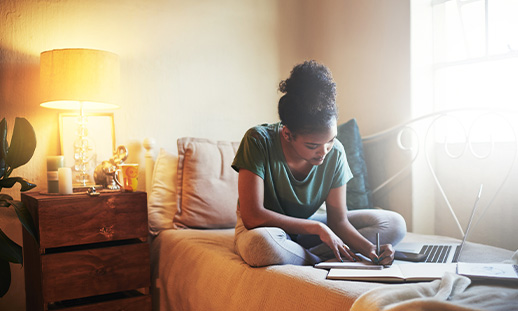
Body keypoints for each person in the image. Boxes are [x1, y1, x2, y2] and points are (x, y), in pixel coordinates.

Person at [232, 60, 406, 267]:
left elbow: (338, 222)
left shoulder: (336, 153)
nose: (324, 151)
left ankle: (301, 255)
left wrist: (371, 250)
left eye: (330, 140)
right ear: (288, 134)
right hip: (265, 230)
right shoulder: (258, 141)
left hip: (307, 231)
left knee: (394, 224)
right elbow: (252, 216)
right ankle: (321, 259)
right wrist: (317, 228)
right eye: (313, 145)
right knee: (261, 246)